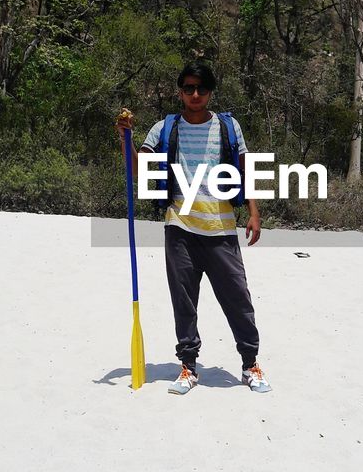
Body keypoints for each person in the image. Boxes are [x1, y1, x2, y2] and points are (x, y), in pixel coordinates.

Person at [116, 60, 272, 395]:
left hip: (221, 230)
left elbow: (246, 170)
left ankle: (250, 364)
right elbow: (138, 169)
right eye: (188, 88)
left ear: (211, 91)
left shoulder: (229, 128)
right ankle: (188, 366)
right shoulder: (164, 128)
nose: (195, 94)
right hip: (180, 230)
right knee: (184, 302)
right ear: (180, 92)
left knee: (238, 299)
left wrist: (254, 213)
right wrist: (125, 136)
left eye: (201, 88)